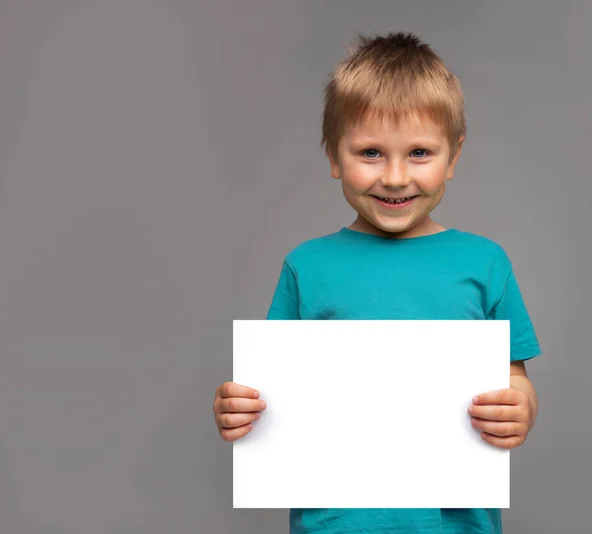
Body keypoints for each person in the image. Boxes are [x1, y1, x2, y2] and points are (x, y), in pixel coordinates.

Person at [212, 31, 541, 534]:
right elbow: (266, 389)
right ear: (333, 156)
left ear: (453, 157)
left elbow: (514, 378)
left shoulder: (486, 263)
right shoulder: (308, 266)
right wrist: (236, 408)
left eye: (419, 153)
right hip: (334, 523)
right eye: (369, 153)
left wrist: (522, 407)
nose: (393, 177)